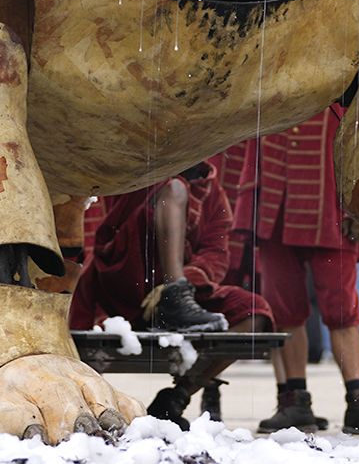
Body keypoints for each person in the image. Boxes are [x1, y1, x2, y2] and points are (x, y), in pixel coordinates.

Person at [222, 109, 359, 435]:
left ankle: (358, 401)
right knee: (283, 308)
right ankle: (293, 401)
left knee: (342, 308)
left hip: (331, 203)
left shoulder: (352, 70)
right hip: (273, 198)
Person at [69, 162, 273, 424]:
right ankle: (92, 403)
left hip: (186, 302)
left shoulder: (212, 192)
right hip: (126, 282)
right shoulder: (144, 168)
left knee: (254, 311)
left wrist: (183, 282)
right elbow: (108, 233)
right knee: (174, 188)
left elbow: (216, 255)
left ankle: (175, 398)